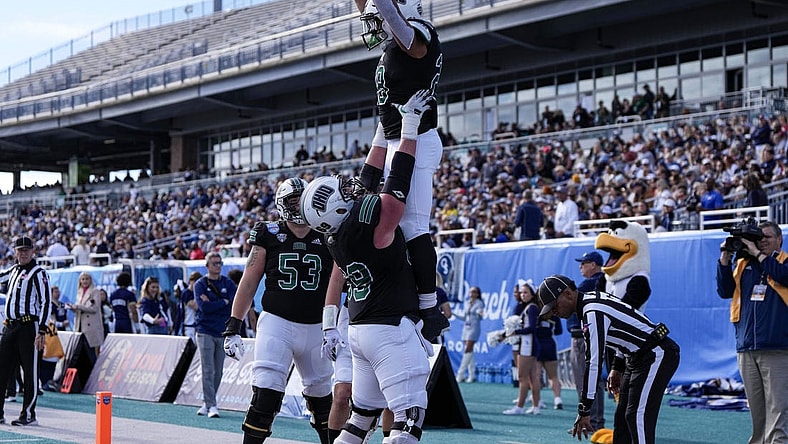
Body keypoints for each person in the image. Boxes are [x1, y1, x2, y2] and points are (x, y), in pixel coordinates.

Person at [302, 89, 446, 444]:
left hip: (361, 331)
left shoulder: (334, 235)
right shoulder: (368, 221)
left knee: (360, 418)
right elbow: (398, 181)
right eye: (340, 192)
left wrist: (382, 135)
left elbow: (367, 178)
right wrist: (409, 128)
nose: (349, 189)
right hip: (389, 330)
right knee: (408, 421)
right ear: (336, 208)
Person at [354, 0, 444, 334]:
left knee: (413, 226)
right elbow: (385, 119)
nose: (373, 26)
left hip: (418, 138)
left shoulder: (421, 33)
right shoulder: (391, 48)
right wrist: (368, 172)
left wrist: (384, 4)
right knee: (389, 224)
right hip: (396, 138)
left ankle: (429, 309)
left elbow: (396, 22)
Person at [222, 178, 334, 444]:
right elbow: (249, 281)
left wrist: (335, 324)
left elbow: (340, 281)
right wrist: (234, 325)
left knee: (323, 400)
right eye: (292, 201)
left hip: (317, 325)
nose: (297, 206)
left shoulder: (328, 233)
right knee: (266, 394)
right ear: (282, 204)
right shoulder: (268, 232)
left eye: (301, 199)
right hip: (277, 323)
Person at [536, 275, 679, 443]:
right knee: (622, 418)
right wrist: (617, 367)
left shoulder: (592, 311)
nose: (554, 312)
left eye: (554, 306)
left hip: (656, 353)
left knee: (636, 416)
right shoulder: (591, 300)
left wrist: (584, 410)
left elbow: (593, 363)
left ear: (568, 294)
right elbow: (625, 333)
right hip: (639, 355)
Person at [716, 220, 788, 443]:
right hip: (746, 347)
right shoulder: (744, 264)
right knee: (757, 410)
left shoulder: (783, 263)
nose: (762, 241)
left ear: (779, 239)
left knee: (778, 407)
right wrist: (725, 260)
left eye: (767, 237)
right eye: (759, 237)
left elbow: (783, 277)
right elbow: (724, 290)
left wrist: (758, 253)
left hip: (777, 348)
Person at [0, 236, 52, 426]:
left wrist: (42, 330)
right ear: (15, 251)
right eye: (19, 250)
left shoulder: (39, 273)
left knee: (29, 371)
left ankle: (28, 415)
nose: (22, 254)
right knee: (2, 369)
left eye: (26, 250)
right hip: (10, 326)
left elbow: (46, 302)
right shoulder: (13, 270)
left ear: (33, 251)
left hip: (28, 327)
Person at [194, 252, 236, 419]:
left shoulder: (228, 283)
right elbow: (203, 307)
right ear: (207, 265)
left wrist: (216, 303)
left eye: (219, 263)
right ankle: (211, 404)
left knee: (218, 371)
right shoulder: (200, 284)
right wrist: (222, 302)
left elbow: (232, 303)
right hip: (205, 330)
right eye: (214, 263)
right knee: (207, 369)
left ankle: (208, 401)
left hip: (222, 331)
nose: (217, 266)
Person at [568, 251, 606, 430]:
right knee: (594, 380)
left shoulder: (588, 284)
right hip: (597, 336)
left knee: (584, 381)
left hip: (581, 337)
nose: (580, 266)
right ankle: (595, 421)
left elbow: (571, 310)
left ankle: (588, 422)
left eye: (584, 263)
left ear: (593, 265)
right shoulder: (605, 282)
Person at [503, 280, 542, 415]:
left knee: (522, 377)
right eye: (521, 293)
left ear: (532, 294)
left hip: (528, 345)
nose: (523, 295)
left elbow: (531, 328)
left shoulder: (531, 308)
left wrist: (516, 332)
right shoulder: (529, 307)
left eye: (526, 292)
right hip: (527, 344)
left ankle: (519, 407)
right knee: (532, 377)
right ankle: (536, 406)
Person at [66, 272, 104, 359]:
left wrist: (78, 307)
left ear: (90, 280)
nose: (85, 281)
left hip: (90, 327)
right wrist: (72, 308)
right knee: (80, 353)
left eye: (87, 279)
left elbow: (94, 308)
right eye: (83, 279)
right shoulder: (79, 292)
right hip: (80, 326)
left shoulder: (95, 291)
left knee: (91, 353)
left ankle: (94, 371)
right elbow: (79, 309)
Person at [454, 286, 485, 383]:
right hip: (466, 328)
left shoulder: (480, 303)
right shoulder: (467, 303)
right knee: (469, 351)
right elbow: (464, 317)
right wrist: (453, 314)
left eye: (474, 292)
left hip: (474, 328)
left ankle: (460, 374)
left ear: (478, 294)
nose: (472, 294)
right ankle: (472, 375)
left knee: (467, 349)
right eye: (471, 292)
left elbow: (480, 314)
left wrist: (479, 313)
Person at [535, 313, 563, 410]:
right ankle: (557, 399)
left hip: (537, 345)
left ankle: (537, 400)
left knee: (536, 376)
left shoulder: (534, 312)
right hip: (549, 344)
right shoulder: (554, 314)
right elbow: (559, 331)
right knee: (553, 376)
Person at [179, 272, 202, 340]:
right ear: (191, 281)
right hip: (188, 326)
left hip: (197, 325)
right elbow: (196, 306)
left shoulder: (199, 293)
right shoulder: (186, 293)